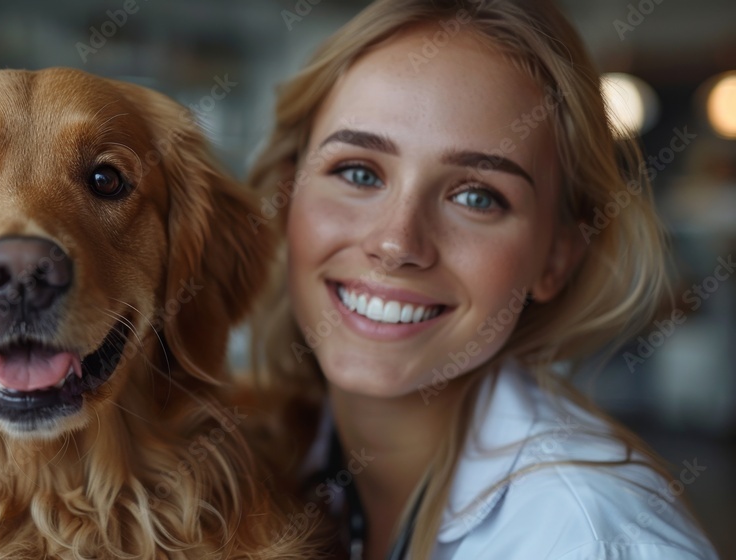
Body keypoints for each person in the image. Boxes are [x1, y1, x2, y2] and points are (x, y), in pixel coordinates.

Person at [247, 0, 721, 558]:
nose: (397, 243)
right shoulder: (259, 470)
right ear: (286, 198)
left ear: (556, 258)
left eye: (476, 197)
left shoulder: (594, 539)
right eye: (357, 172)